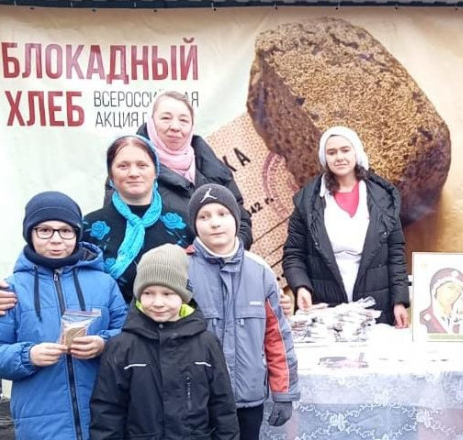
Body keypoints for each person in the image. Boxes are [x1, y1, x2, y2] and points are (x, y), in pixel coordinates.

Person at [0, 192, 127, 440]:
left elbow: (129, 336)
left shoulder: (104, 283)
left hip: (102, 419)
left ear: (77, 234)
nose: (56, 239)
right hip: (39, 425)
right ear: (30, 234)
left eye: (66, 231)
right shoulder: (11, 289)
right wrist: (28, 355)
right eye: (45, 230)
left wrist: (103, 344)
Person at [90, 244, 239, 439]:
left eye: (167, 294)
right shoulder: (121, 346)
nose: (158, 303)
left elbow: (223, 406)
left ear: (184, 296)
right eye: (148, 293)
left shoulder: (207, 343)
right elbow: (107, 411)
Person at [186, 184, 299, 439]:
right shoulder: (181, 268)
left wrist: (284, 393)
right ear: (194, 224)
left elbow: (277, 338)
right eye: (204, 216)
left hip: (248, 400)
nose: (215, 223)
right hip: (197, 401)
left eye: (222, 214)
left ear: (236, 219)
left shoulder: (260, 272)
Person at [282, 126, 410, 327]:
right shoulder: (308, 201)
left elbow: (395, 253)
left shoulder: (383, 198)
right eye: (331, 152)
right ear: (324, 158)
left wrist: (399, 301)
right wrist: (302, 287)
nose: (339, 157)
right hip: (325, 307)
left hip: (376, 306)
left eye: (345, 150)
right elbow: (293, 253)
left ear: (356, 152)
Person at [133, 90, 253, 249]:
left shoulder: (213, 167)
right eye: (166, 118)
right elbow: (123, 232)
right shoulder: (131, 171)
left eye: (183, 120)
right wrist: (179, 256)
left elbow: (242, 221)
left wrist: (227, 251)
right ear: (151, 122)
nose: (175, 127)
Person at [84, 134, 195, 302]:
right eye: (123, 166)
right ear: (111, 174)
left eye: (142, 165)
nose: (133, 173)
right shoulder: (89, 227)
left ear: (156, 171)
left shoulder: (184, 223)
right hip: (109, 318)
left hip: (173, 318)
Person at [420, 267, 463, 334]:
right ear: (436, 288)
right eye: (450, 287)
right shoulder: (423, 318)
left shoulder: (460, 320)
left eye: (458, 291)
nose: (454, 294)